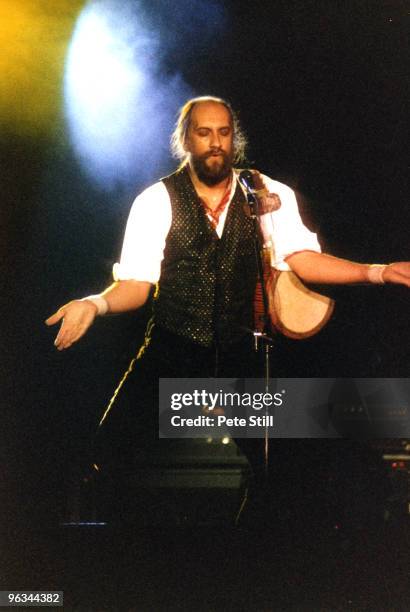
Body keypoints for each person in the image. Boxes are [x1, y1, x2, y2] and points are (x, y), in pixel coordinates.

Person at [46, 95, 410, 491]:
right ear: (185, 139)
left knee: (281, 469)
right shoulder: (155, 201)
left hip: (241, 353)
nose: (215, 142)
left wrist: (378, 272)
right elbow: (135, 286)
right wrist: (94, 304)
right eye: (204, 133)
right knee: (107, 456)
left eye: (224, 133)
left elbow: (302, 258)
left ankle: (248, 545)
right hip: (174, 348)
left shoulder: (265, 192)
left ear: (235, 139)